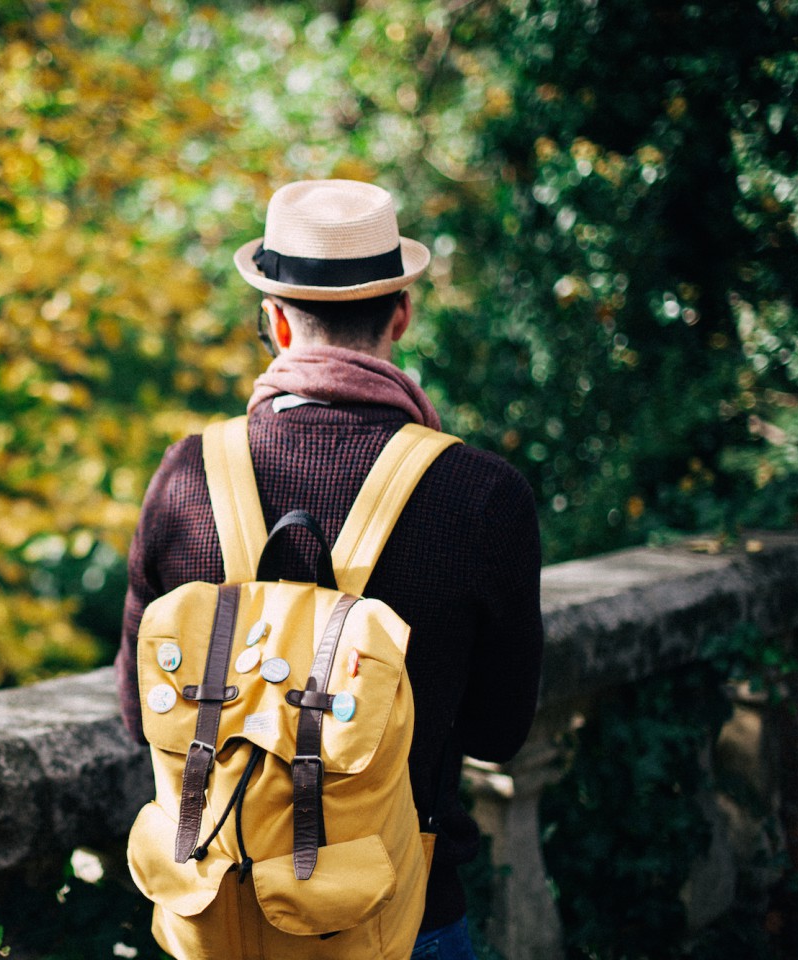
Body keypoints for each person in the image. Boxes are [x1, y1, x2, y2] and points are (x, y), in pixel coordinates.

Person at [114, 179, 544, 958]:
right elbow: (498, 733)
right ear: (401, 314)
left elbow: (135, 714)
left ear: (275, 321)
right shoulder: (481, 495)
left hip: (221, 925)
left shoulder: (187, 477)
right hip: (400, 918)